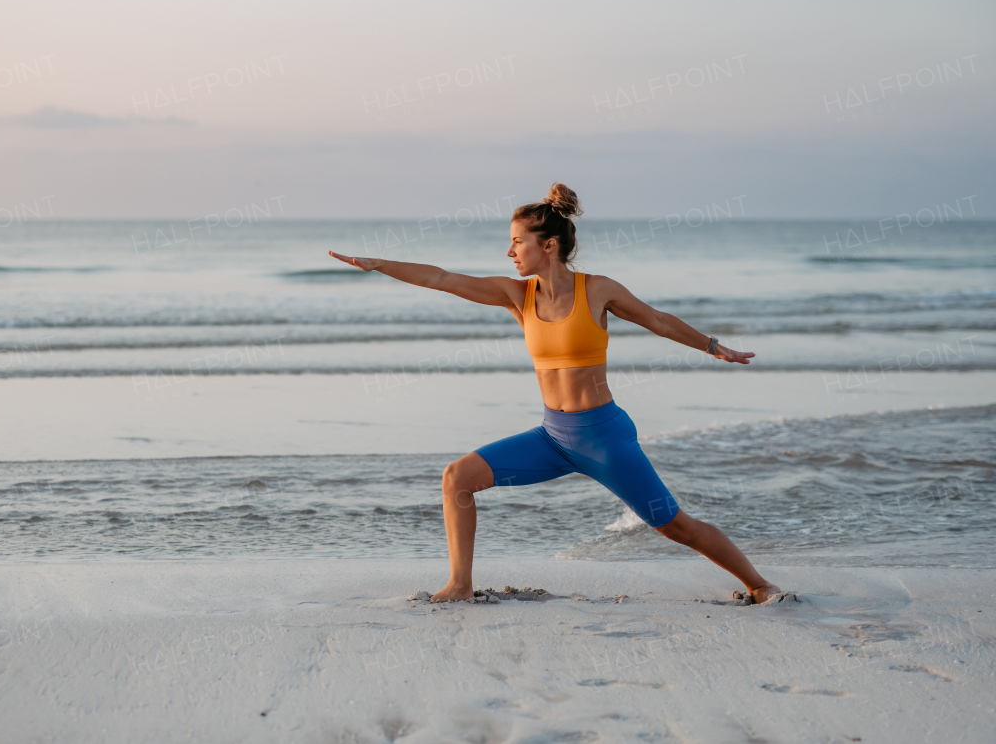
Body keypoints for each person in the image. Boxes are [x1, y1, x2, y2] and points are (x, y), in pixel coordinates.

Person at [328, 183, 782, 604]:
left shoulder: (598, 290)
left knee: (676, 527)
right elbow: (442, 278)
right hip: (552, 437)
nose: (509, 252)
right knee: (457, 478)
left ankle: (761, 587)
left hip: (604, 439)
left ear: (548, 245)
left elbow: (658, 320)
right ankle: (460, 586)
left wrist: (711, 346)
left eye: (517, 242)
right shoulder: (516, 296)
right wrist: (379, 265)